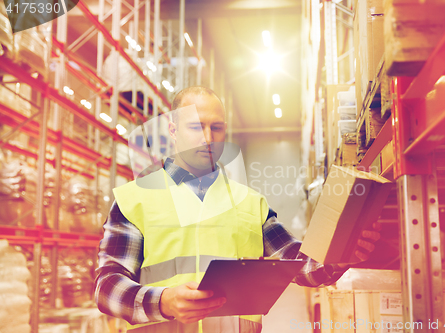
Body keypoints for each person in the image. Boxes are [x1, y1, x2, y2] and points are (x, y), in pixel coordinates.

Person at [95, 86, 381, 333]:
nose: (208, 137)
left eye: (216, 127)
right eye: (195, 126)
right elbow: (107, 288)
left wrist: (342, 254)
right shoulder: (136, 198)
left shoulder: (250, 202)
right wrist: (163, 301)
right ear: (173, 130)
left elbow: (298, 264)